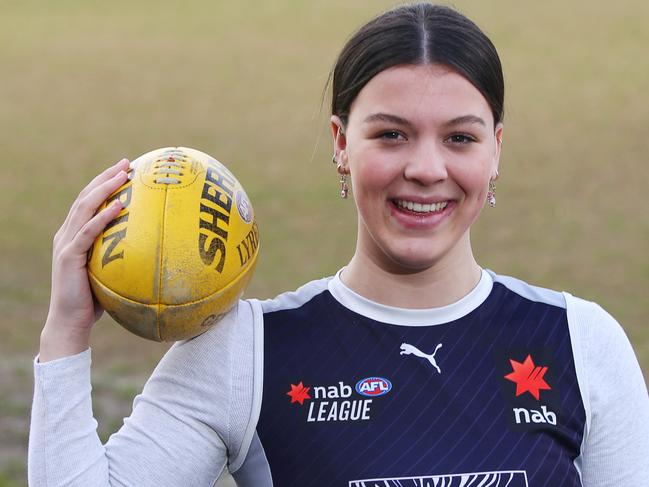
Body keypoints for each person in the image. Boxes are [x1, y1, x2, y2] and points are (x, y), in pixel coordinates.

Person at [29, 3, 649, 486]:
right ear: (341, 144)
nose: (427, 168)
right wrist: (65, 332)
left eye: (460, 138)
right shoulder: (245, 354)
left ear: (496, 152)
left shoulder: (579, 342)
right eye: (392, 134)